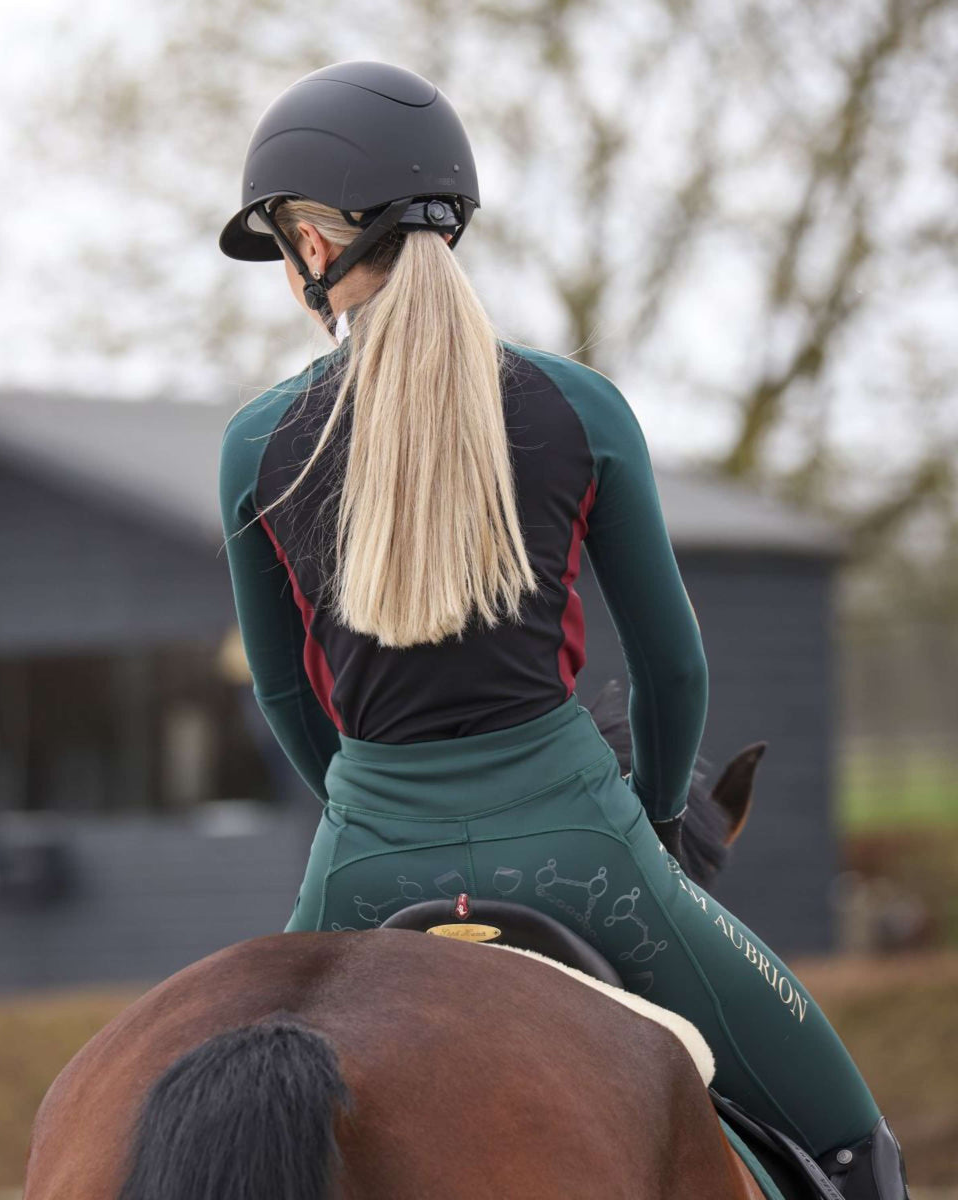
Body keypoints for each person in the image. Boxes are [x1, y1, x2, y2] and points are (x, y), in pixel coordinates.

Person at [216, 61, 908, 1199]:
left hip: (367, 855)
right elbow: (673, 663)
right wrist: (649, 819)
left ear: (319, 239)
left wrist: (369, 799)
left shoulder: (257, 444)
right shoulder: (578, 406)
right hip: (587, 850)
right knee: (848, 1139)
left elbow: (287, 700)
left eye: (291, 235)